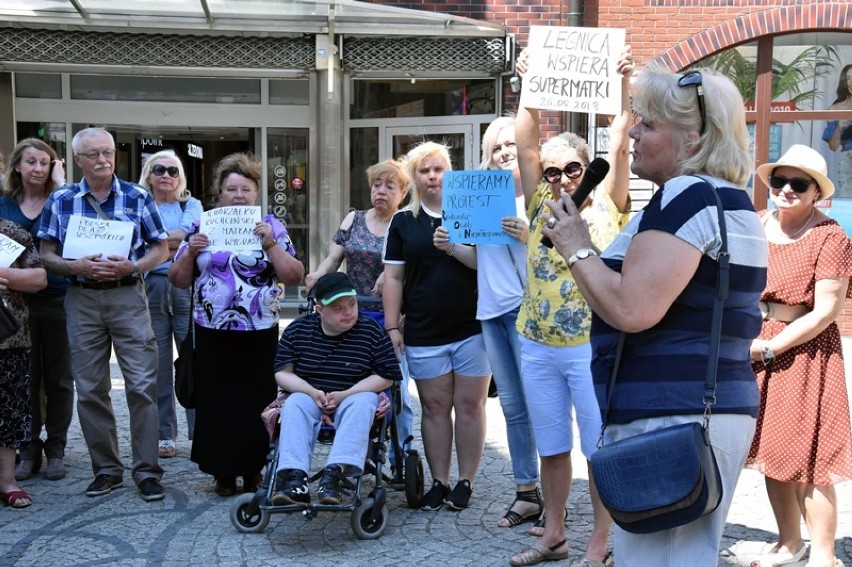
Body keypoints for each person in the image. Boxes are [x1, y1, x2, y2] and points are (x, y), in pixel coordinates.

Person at [543, 66, 767, 566]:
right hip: (702, 410)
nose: (634, 134)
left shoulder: (686, 195)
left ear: (693, 137)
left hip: (672, 413)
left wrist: (578, 248)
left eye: (648, 124)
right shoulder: (731, 201)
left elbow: (632, 308)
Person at [508, 47, 633, 567]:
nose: (561, 177)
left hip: (591, 345)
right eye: (553, 169)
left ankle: (601, 542)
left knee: (598, 446)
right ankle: (554, 533)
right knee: (553, 445)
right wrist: (529, 85)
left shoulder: (610, 200)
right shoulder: (540, 200)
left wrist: (623, 86)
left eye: (572, 168)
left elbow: (623, 137)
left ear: (588, 168)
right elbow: (524, 141)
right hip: (536, 342)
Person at [37, 127, 170, 502]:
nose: (103, 160)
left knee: (141, 385)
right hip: (81, 298)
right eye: (93, 154)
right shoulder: (61, 199)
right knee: (91, 388)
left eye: (108, 152)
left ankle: (147, 471)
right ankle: (107, 470)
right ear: (78, 160)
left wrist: (135, 266)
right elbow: (46, 254)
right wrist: (73, 265)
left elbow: (161, 249)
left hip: (127, 295)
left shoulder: (137, 195)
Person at [168, 152, 304, 497]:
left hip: (259, 329)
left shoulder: (271, 226)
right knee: (217, 400)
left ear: (256, 192)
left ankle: (253, 469)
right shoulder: (203, 225)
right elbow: (177, 280)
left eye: (245, 188)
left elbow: (294, 274)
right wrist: (188, 251)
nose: (239, 195)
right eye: (231, 189)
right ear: (220, 193)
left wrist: (270, 244)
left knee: (255, 400)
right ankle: (222, 472)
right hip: (212, 330)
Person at [746, 145, 852, 567]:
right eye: (779, 180)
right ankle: (790, 544)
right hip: (756, 344)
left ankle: (825, 557)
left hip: (805, 353)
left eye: (799, 184)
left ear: (815, 193)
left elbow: (826, 311)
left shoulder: (831, 236)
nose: (786, 190)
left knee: (810, 458)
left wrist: (772, 345)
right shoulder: (755, 225)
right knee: (772, 450)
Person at [383, 141, 492, 512]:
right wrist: (392, 327)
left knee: (470, 405)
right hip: (424, 329)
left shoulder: (472, 211)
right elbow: (393, 278)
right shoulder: (402, 221)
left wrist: (454, 248)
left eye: (438, 168)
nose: (432, 176)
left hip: (472, 327)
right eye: (424, 170)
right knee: (433, 406)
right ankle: (440, 481)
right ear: (414, 177)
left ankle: (466, 481)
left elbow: (487, 264)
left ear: (450, 171)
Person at [304, 158, 413, 469]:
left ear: (402, 192)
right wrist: (318, 276)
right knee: (354, 384)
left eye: (389, 186)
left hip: (388, 317)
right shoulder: (353, 219)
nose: (381, 191)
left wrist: (390, 276)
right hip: (349, 315)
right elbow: (334, 258)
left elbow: (409, 267)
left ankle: (399, 454)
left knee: (396, 389)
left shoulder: (405, 222)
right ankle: (358, 451)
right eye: (377, 185)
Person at [270, 272, 402, 505]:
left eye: (352, 304)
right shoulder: (298, 330)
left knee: (362, 401)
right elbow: (282, 372)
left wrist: (344, 395)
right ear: (319, 309)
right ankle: (294, 477)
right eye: (338, 309)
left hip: (353, 397)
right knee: (295, 403)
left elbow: (387, 376)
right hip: (312, 396)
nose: (349, 312)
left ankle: (335, 473)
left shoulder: (371, 331)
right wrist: (311, 392)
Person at [473, 116, 542, 528]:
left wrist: (526, 234)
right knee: (513, 408)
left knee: (539, 405)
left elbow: (556, 254)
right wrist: (450, 248)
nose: (503, 152)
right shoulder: (483, 199)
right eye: (496, 147)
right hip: (490, 311)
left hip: (525, 309)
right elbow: (479, 260)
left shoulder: (534, 198)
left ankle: (552, 494)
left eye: (510, 145)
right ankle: (525, 492)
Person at [1, 139, 73, 481]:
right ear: (17, 166)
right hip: (14, 306)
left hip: (58, 298)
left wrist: (61, 184)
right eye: (30, 162)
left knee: (59, 378)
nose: (37, 169)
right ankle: (27, 449)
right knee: (24, 379)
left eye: (44, 163)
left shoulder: (61, 201)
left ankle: (56, 447)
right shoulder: (3, 204)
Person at [137, 150, 203, 458]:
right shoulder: (141, 203)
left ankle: (200, 431)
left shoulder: (192, 205)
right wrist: (173, 242)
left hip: (186, 287)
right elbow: (138, 239)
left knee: (193, 358)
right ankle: (166, 433)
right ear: (149, 175)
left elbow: (189, 234)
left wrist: (155, 241)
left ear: (181, 178)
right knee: (159, 363)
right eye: (160, 169)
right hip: (150, 287)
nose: (166, 175)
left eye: (173, 171)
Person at [0, 217, 47, 508]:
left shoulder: (11, 232)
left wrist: (4, 274)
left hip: (10, 338)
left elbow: (39, 278)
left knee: (10, 410)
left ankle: (7, 480)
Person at [822, 64, 852, 198]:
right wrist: (840, 127)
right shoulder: (835, 108)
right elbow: (833, 146)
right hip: (847, 162)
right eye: (848, 78)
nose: (851, 83)